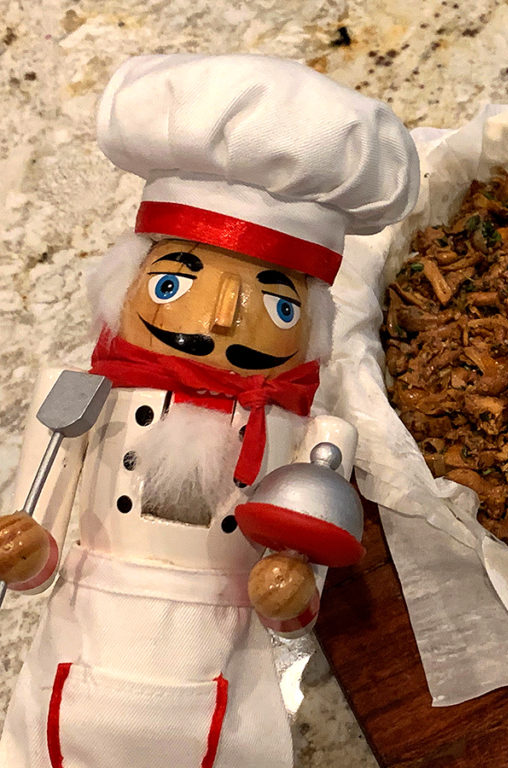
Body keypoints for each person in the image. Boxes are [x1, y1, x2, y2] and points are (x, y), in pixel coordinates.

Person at [0, 53, 418, 767]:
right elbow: (34, 538)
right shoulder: (80, 394)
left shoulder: (313, 439)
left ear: (311, 324)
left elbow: (299, 596)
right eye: (175, 284)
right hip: (82, 640)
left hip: (227, 662)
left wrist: (284, 594)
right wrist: (28, 553)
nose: (224, 316)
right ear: (126, 283)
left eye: (276, 302)